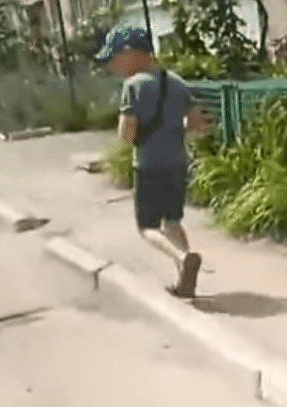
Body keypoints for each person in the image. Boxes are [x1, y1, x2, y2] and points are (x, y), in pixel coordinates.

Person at [94, 25, 213, 298]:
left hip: (148, 165)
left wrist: (127, 133)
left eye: (115, 58)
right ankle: (185, 280)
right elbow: (197, 125)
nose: (112, 65)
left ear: (131, 53)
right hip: (177, 163)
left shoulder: (133, 86)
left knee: (147, 227)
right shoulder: (178, 83)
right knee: (172, 221)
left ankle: (184, 258)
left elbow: (127, 134)